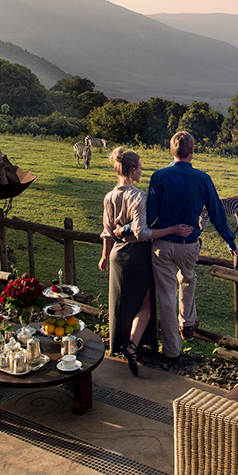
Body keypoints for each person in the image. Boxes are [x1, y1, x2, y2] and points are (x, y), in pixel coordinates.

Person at [146, 131, 238, 360]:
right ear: (192, 152)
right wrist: (230, 242)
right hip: (189, 245)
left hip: (162, 244)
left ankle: (172, 350)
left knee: (167, 297)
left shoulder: (159, 176)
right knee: (188, 278)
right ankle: (188, 322)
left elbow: (150, 214)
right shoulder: (202, 179)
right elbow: (217, 212)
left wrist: (131, 229)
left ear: (171, 150)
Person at [98, 147, 192, 376]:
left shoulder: (109, 196)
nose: (142, 171)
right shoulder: (138, 196)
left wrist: (104, 256)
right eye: (140, 167)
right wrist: (173, 229)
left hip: (116, 254)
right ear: (132, 169)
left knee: (121, 302)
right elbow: (142, 233)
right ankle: (132, 344)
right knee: (146, 305)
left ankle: (124, 342)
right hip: (138, 254)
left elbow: (108, 232)